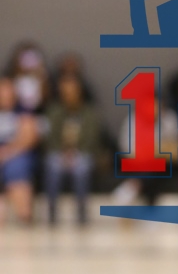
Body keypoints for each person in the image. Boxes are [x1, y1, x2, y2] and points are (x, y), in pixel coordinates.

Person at [43, 74, 104, 225]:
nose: (69, 95)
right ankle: (52, 212)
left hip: (82, 153)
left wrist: (75, 153)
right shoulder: (54, 112)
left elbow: (92, 139)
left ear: (79, 92)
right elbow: (50, 138)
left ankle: (81, 212)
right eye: (66, 91)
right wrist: (63, 152)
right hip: (58, 153)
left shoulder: (89, 113)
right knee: (53, 166)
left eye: (72, 91)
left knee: (81, 168)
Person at [0, 75, 39, 224]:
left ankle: (24, 216)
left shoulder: (23, 110)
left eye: (7, 90)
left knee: (17, 168)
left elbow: (29, 138)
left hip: (17, 153)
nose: (5, 94)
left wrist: (8, 152)